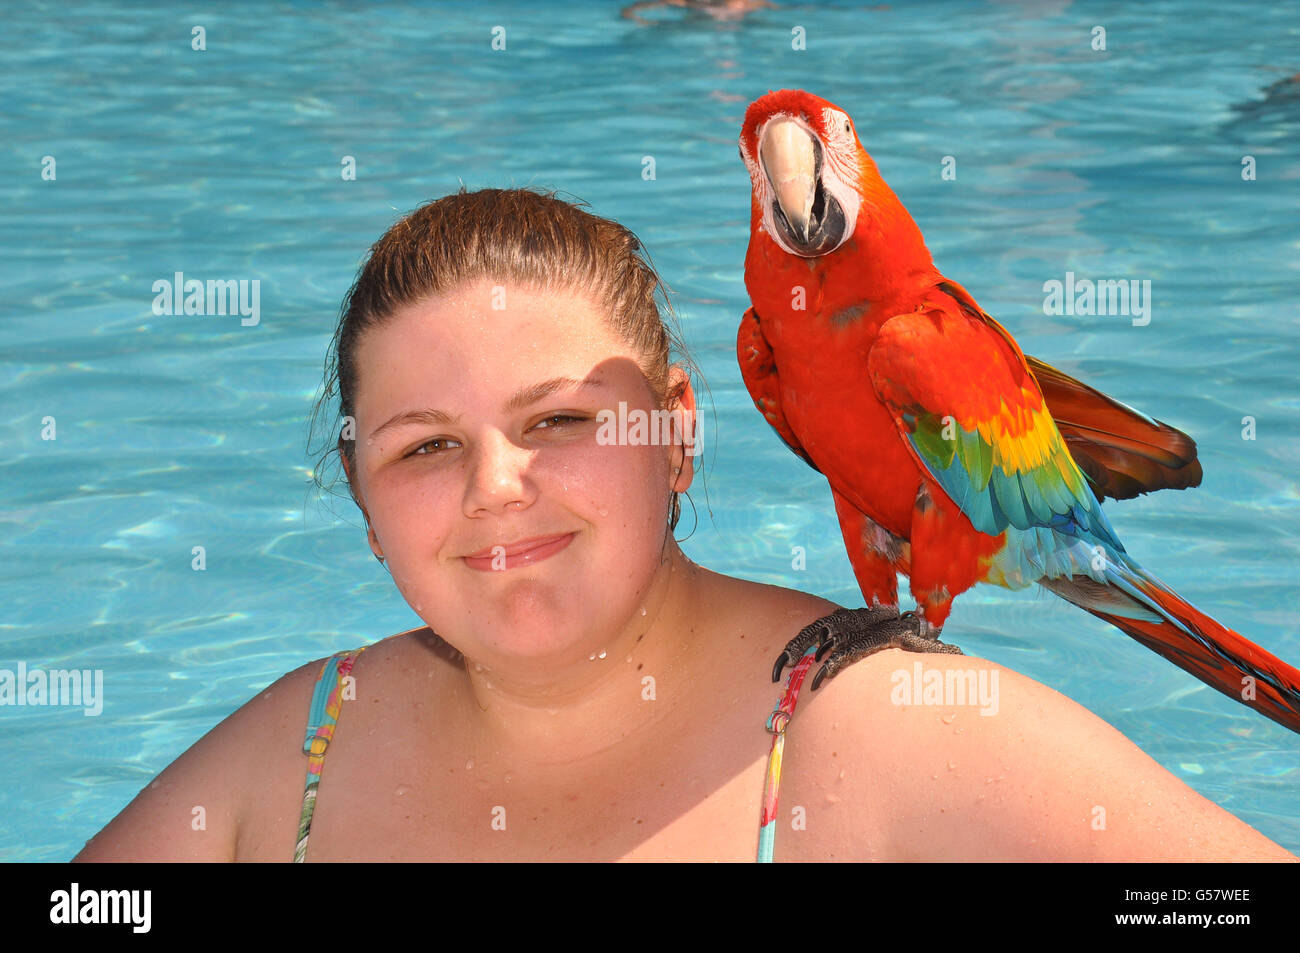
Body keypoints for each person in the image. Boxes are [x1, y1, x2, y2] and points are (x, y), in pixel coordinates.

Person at [74, 188, 1296, 862]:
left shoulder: (877, 740)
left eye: (557, 419)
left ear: (679, 432)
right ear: (359, 496)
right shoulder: (303, 747)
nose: (495, 484)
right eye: (425, 446)